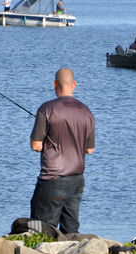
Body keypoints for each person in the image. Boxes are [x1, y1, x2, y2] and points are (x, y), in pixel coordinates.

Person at [30, 68, 95, 234]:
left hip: (52, 178)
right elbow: (90, 149)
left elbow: (36, 145)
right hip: (77, 179)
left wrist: (49, 143)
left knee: (42, 229)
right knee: (71, 229)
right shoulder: (86, 112)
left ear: (54, 84)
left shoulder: (46, 109)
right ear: (74, 85)